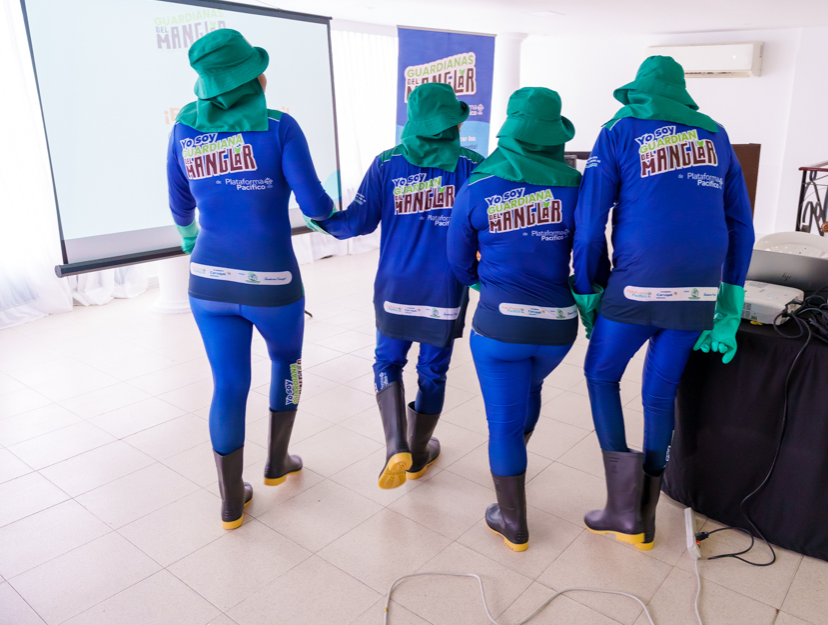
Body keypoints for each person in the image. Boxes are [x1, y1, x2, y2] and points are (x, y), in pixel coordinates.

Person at [572, 56, 754, 550]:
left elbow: (589, 227)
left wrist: (589, 289)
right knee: (659, 395)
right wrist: (729, 305)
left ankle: (619, 507)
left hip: (633, 286)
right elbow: (742, 225)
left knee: (601, 375)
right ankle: (645, 516)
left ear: (637, 91)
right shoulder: (715, 133)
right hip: (696, 290)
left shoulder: (618, 129)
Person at [167, 29, 339, 529]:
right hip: (274, 283)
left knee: (228, 385)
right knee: (288, 363)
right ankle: (277, 462)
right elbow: (316, 207)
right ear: (254, 75)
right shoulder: (281, 127)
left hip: (208, 281)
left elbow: (180, 205)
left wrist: (189, 242)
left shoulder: (182, 128)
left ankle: (228, 503)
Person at [309, 83, 482, 489]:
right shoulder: (474, 164)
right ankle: (419, 454)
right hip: (445, 289)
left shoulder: (386, 163)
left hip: (395, 287)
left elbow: (357, 224)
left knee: (387, 363)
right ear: (455, 122)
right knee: (432, 372)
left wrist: (318, 218)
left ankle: (395, 447)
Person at [448, 87, 580, 552]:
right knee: (533, 389)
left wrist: (484, 285)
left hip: (500, 326)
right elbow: (587, 257)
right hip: (560, 327)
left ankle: (512, 519)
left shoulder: (479, 185)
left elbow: (458, 259)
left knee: (502, 425)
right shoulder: (576, 184)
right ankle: (516, 467)